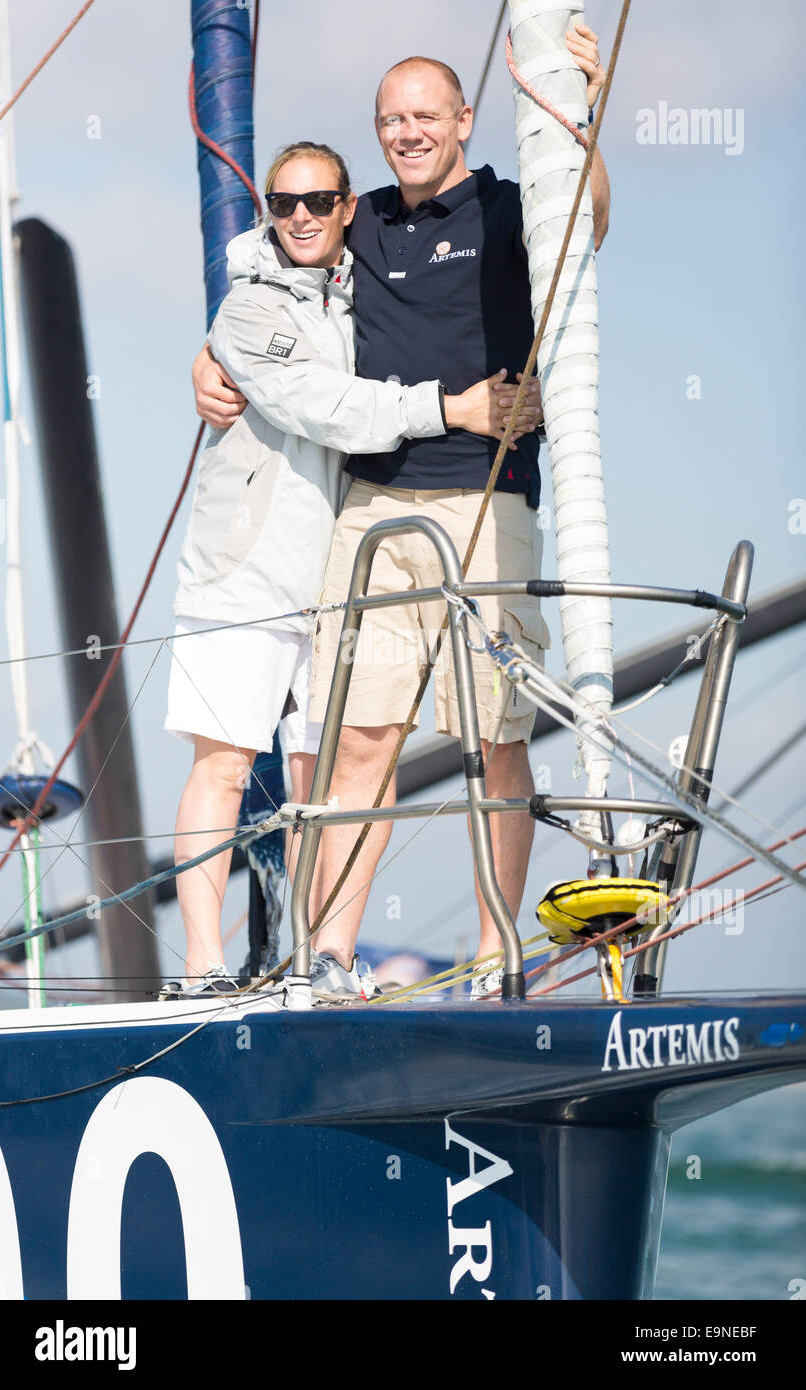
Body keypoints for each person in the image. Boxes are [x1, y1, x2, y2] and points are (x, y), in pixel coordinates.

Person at [193, 28, 609, 1002]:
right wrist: (214, 356)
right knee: (360, 739)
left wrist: (575, 108)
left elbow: (586, 219)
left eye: (426, 116)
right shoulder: (361, 220)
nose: (408, 133)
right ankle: (332, 955)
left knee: (492, 739)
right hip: (372, 511)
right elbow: (263, 263)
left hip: (486, 503)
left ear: (463, 120)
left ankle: (494, 951)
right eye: (391, 120)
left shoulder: (510, 207)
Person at [169, 141, 540, 997]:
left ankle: (309, 959)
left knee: (317, 776)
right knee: (224, 764)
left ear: (349, 210)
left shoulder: (357, 291)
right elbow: (327, 408)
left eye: (319, 200)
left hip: (333, 573)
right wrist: (452, 408)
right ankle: (201, 968)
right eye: (282, 202)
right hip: (247, 568)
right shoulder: (248, 311)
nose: (300, 215)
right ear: (267, 210)